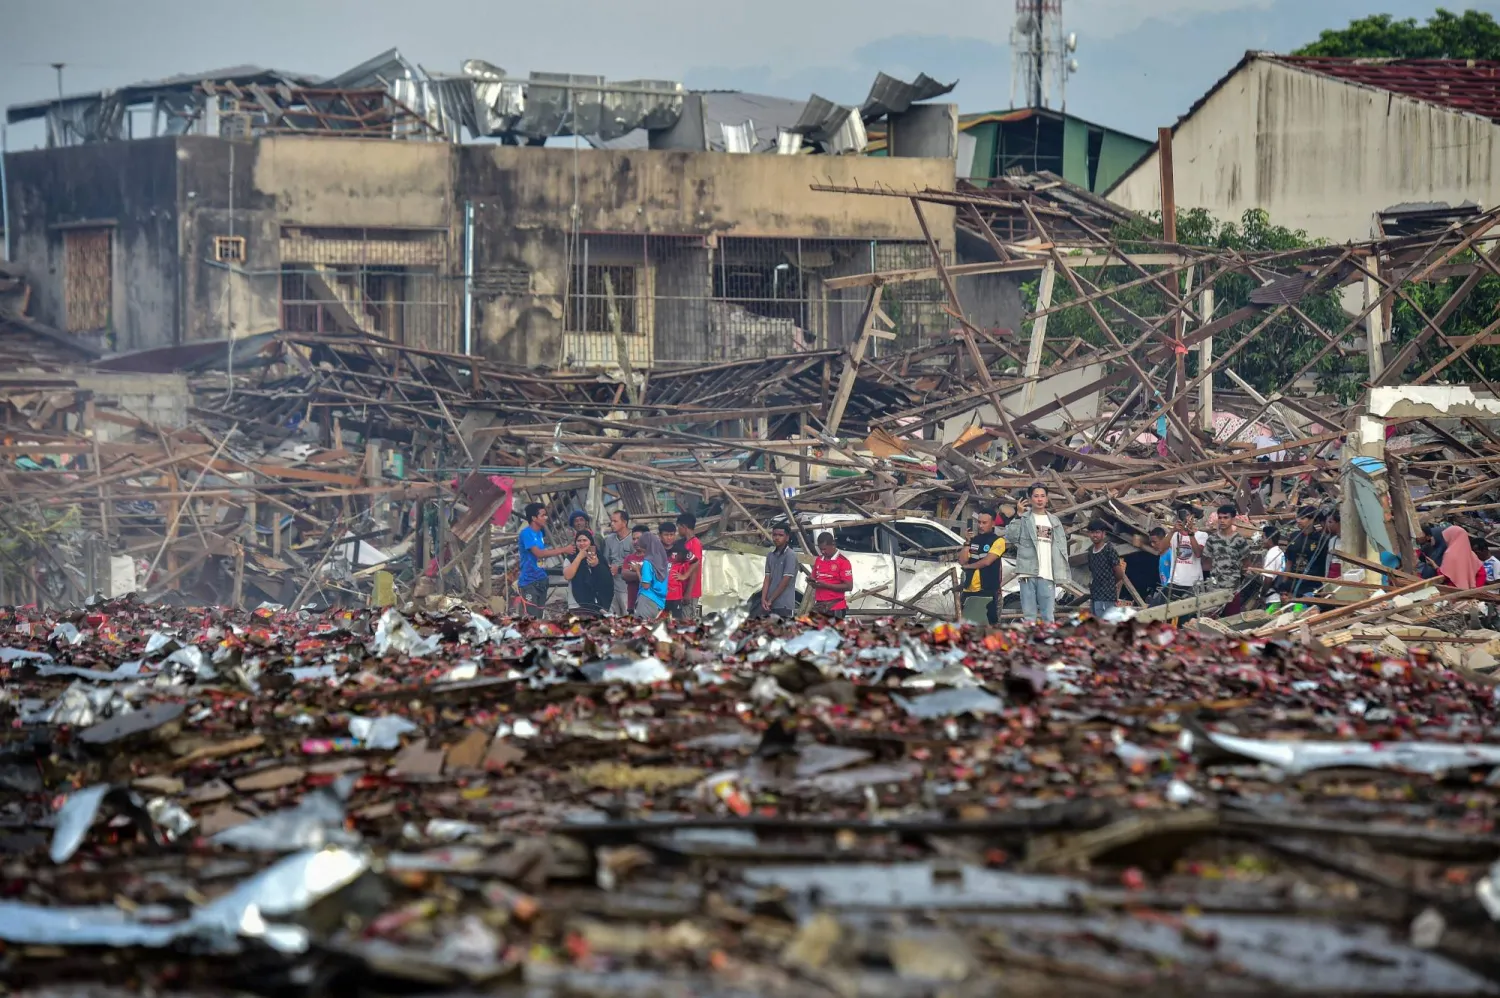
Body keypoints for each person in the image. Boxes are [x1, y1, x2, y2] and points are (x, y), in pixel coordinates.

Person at [1004, 483, 1069, 623]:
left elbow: (1061, 548)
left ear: (1047, 499)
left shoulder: (1054, 521)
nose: (1039, 499)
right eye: (1036, 496)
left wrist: (1060, 571)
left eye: (1042, 496)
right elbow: (1011, 536)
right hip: (1028, 573)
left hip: (1048, 575)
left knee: (1048, 616)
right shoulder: (1024, 518)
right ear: (1029, 498)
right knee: (1029, 617)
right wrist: (1018, 515)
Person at [517, 502, 573, 617]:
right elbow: (539, 553)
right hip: (529, 582)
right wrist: (563, 550)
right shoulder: (526, 534)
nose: (546, 518)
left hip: (541, 580)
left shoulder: (540, 533)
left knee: (539, 615)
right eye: (543, 515)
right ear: (533, 518)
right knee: (531, 617)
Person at [959, 507, 1007, 624]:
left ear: (993, 523)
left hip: (987, 590)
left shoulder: (998, 541)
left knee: (989, 625)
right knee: (968, 625)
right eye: (979, 522)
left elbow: (987, 562)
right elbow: (962, 561)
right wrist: (967, 543)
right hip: (969, 589)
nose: (980, 526)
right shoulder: (974, 540)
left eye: (984, 523)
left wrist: (968, 567)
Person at [1204, 504, 1252, 615]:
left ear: (1233, 519)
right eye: (1220, 517)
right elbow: (1207, 562)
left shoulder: (1239, 540)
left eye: (1226, 517)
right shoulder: (1212, 539)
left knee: (1231, 619)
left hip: (1233, 588)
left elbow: (1246, 563)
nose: (1222, 521)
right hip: (1214, 587)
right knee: (1210, 618)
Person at [562, 529, 614, 617]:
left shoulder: (599, 557)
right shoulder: (571, 557)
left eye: (585, 540)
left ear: (591, 542)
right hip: (577, 604)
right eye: (579, 541)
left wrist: (597, 565)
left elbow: (607, 579)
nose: (582, 543)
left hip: (598, 604)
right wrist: (580, 556)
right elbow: (567, 575)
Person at [1163, 506, 1209, 606]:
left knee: (1191, 614)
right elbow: (1160, 550)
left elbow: (1198, 554)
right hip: (1175, 582)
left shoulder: (1201, 535)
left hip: (1194, 583)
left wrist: (1190, 534)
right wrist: (1172, 531)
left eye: (1187, 515)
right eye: (1182, 516)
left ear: (1192, 517)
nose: (1185, 519)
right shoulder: (1174, 535)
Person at [758, 525, 799, 618]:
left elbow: (785, 581)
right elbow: (767, 579)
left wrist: (770, 600)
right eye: (775, 535)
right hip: (769, 605)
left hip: (784, 605)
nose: (777, 538)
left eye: (780, 535)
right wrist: (763, 599)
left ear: (787, 537)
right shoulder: (770, 555)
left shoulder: (790, 555)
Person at [1085, 520, 1123, 619]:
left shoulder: (1109, 550)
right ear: (1088, 534)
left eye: (1097, 532)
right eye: (1092, 532)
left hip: (1107, 596)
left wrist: (1109, 584)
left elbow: (1119, 574)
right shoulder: (1090, 552)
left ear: (1103, 534)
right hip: (1095, 595)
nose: (1094, 535)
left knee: (1106, 625)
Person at [811, 531, 853, 620]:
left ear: (833, 544)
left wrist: (826, 585)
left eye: (825, 549)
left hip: (836, 607)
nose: (823, 552)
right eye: (820, 549)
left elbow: (849, 586)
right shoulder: (819, 560)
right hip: (819, 606)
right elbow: (814, 578)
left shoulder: (843, 562)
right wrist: (812, 582)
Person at [631, 526, 669, 619]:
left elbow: (646, 585)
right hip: (660, 603)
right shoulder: (663, 560)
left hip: (647, 601)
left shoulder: (648, 562)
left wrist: (637, 571)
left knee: (642, 629)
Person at [602, 509, 634, 615]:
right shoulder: (609, 539)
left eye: (615, 521)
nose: (612, 524)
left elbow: (638, 563)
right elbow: (605, 559)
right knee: (613, 616)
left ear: (624, 522)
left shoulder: (634, 540)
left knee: (628, 614)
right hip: (612, 584)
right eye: (611, 521)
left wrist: (619, 568)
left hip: (628, 586)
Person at [1122, 529, 1164, 606]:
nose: (1152, 544)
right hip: (1135, 586)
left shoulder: (1166, 554)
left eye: (1155, 542)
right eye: (1151, 542)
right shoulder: (1142, 553)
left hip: (1151, 588)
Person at [1438, 525, 1487, 590]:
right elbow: (1482, 574)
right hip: (1470, 592)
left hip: (1452, 591)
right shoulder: (1471, 554)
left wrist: (1437, 568)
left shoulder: (1449, 554)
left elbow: (1443, 575)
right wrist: (1475, 590)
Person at [676, 512, 705, 621]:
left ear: (684, 527)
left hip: (690, 591)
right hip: (682, 590)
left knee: (687, 622)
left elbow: (695, 568)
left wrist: (688, 592)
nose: (678, 530)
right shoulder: (684, 543)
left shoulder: (695, 543)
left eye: (678, 527)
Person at [665, 538, 692, 619]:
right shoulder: (660, 550)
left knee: (676, 621)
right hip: (661, 595)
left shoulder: (680, 551)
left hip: (675, 596)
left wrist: (685, 575)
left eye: (671, 535)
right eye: (666, 535)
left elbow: (696, 561)